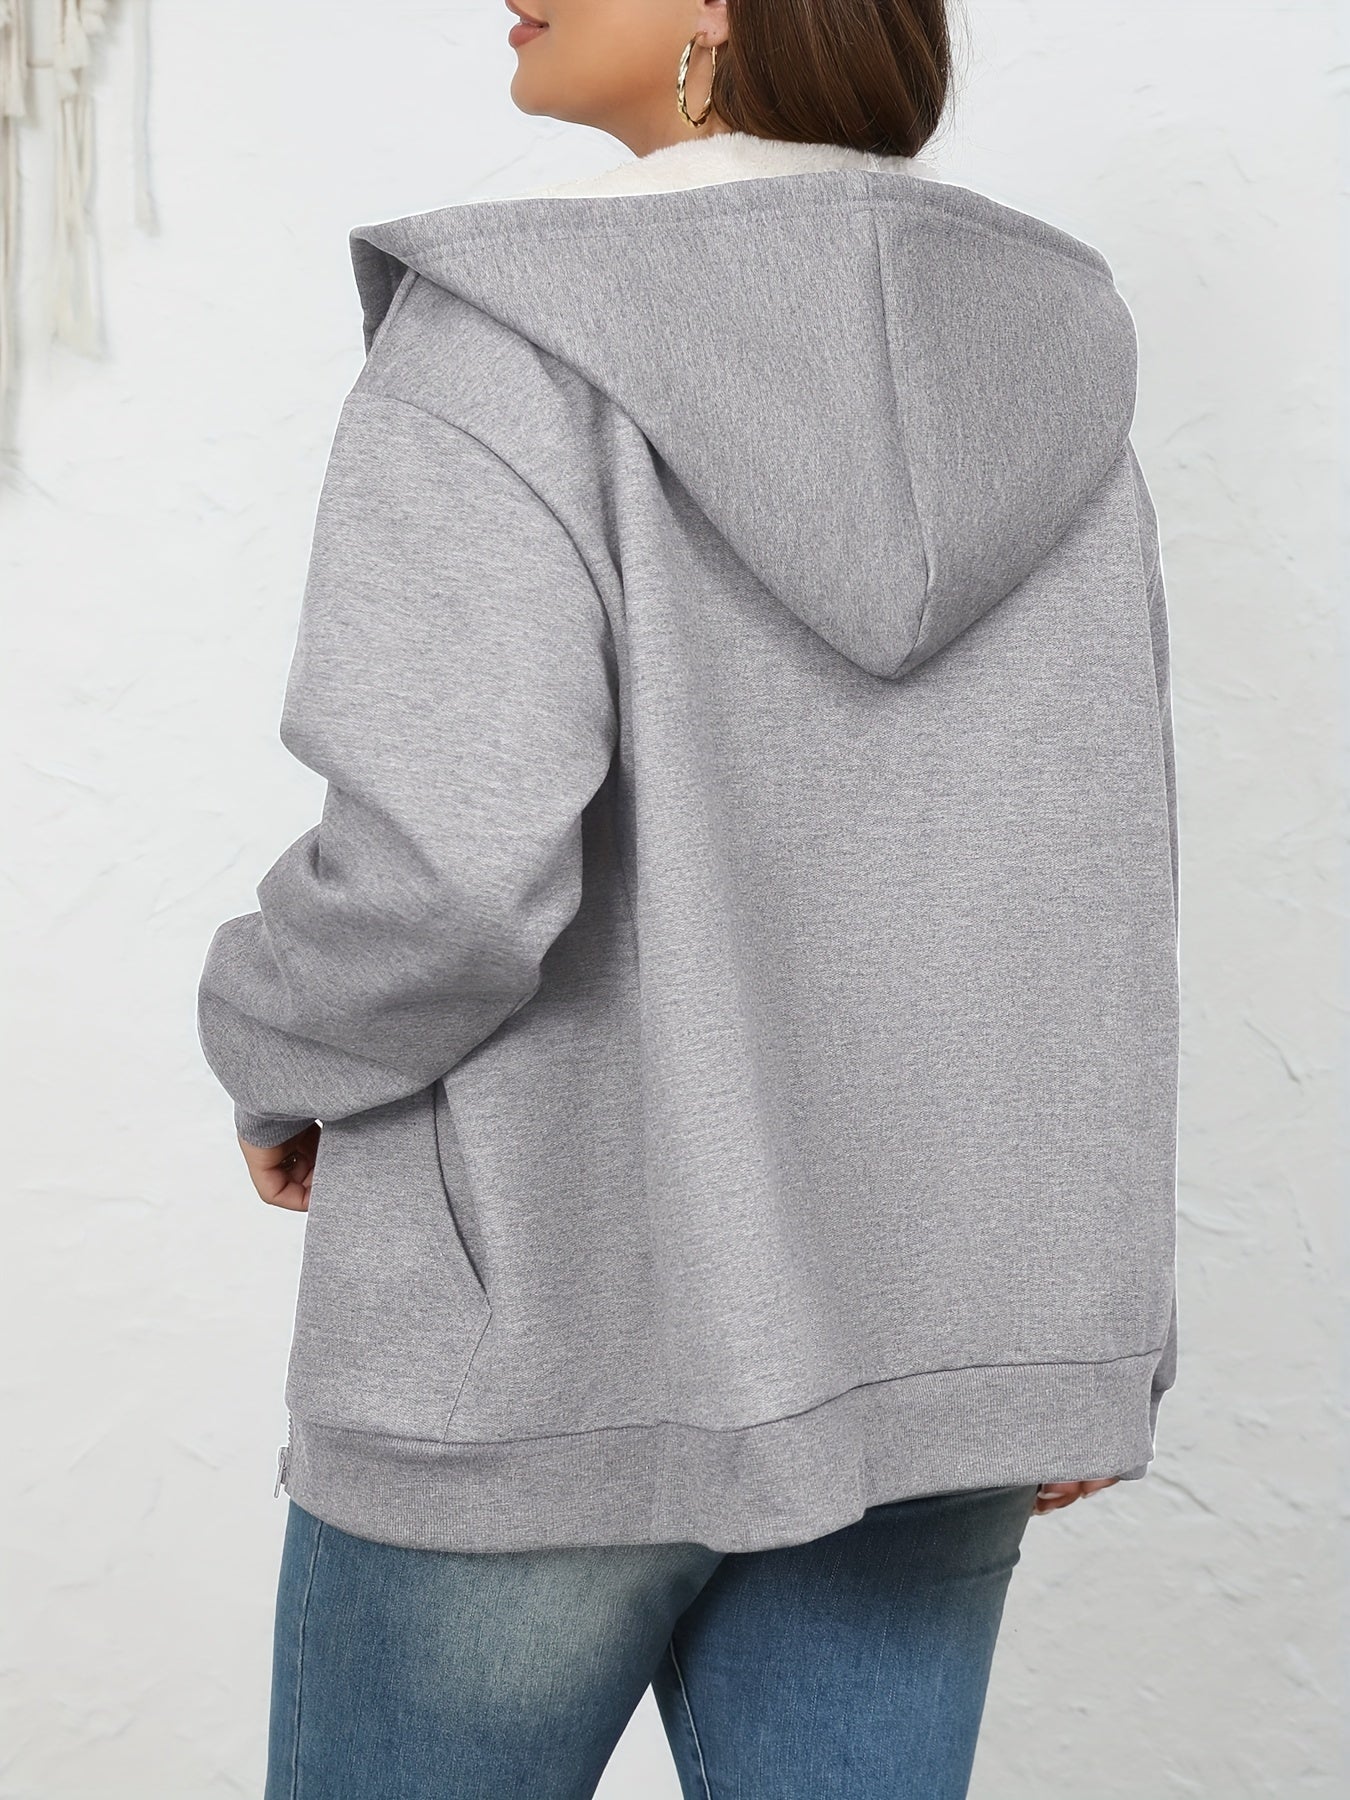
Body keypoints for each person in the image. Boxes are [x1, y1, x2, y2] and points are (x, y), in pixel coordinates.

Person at [195, 1, 1181, 1794]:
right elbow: (1092, 865)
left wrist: (275, 1042)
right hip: (932, 1344)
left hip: (541, 1353)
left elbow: (445, 877)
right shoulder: (1042, 358)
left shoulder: (506, 341)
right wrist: (1078, 1317)